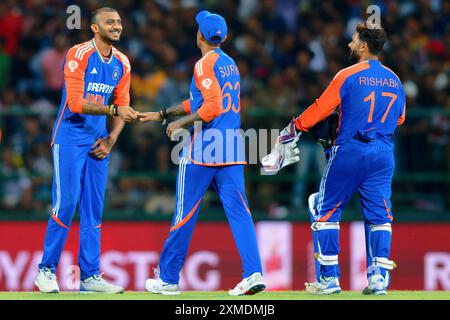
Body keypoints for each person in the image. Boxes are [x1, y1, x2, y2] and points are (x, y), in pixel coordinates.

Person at [263, 22, 406, 295]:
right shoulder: (395, 79)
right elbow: (400, 118)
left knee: (323, 208)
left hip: (350, 149)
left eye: (353, 40)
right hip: (384, 153)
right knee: (379, 215)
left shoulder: (347, 75)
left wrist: (293, 129)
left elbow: (320, 109)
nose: (349, 45)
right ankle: (379, 279)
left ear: (364, 46)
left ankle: (329, 279)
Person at [139, 10, 265, 296]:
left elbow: (210, 108)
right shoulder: (230, 63)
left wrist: (178, 124)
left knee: (184, 214)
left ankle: (169, 279)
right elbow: (200, 100)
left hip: (205, 149)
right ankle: (253, 273)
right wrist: (162, 113)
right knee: (240, 214)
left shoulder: (203, 64)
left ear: (200, 36)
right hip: (232, 147)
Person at [34, 7, 139, 294]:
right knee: (66, 202)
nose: (117, 26)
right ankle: (45, 270)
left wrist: (112, 139)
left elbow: (123, 105)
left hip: (98, 141)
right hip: (69, 137)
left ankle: (90, 277)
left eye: (119, 21)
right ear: (95, 28)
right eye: (110, 22)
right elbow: (77, 103)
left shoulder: (123, 63)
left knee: (94, 209)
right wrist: (115, 109)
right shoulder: (78, 54)